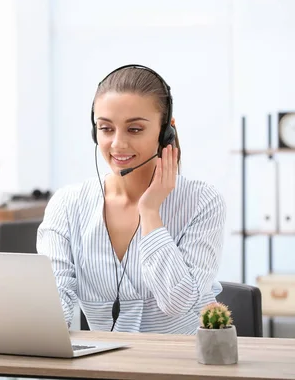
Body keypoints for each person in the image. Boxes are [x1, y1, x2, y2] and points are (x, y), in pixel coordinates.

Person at [36, 64, 226, 334]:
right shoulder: (67, 205)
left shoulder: (202, 202)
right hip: (106, 370)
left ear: (165, 132)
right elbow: (53, 302)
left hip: (184, 368)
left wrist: (149, 212)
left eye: (134, 129)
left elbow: (178, 302)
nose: (117, 144)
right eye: (106, 128)